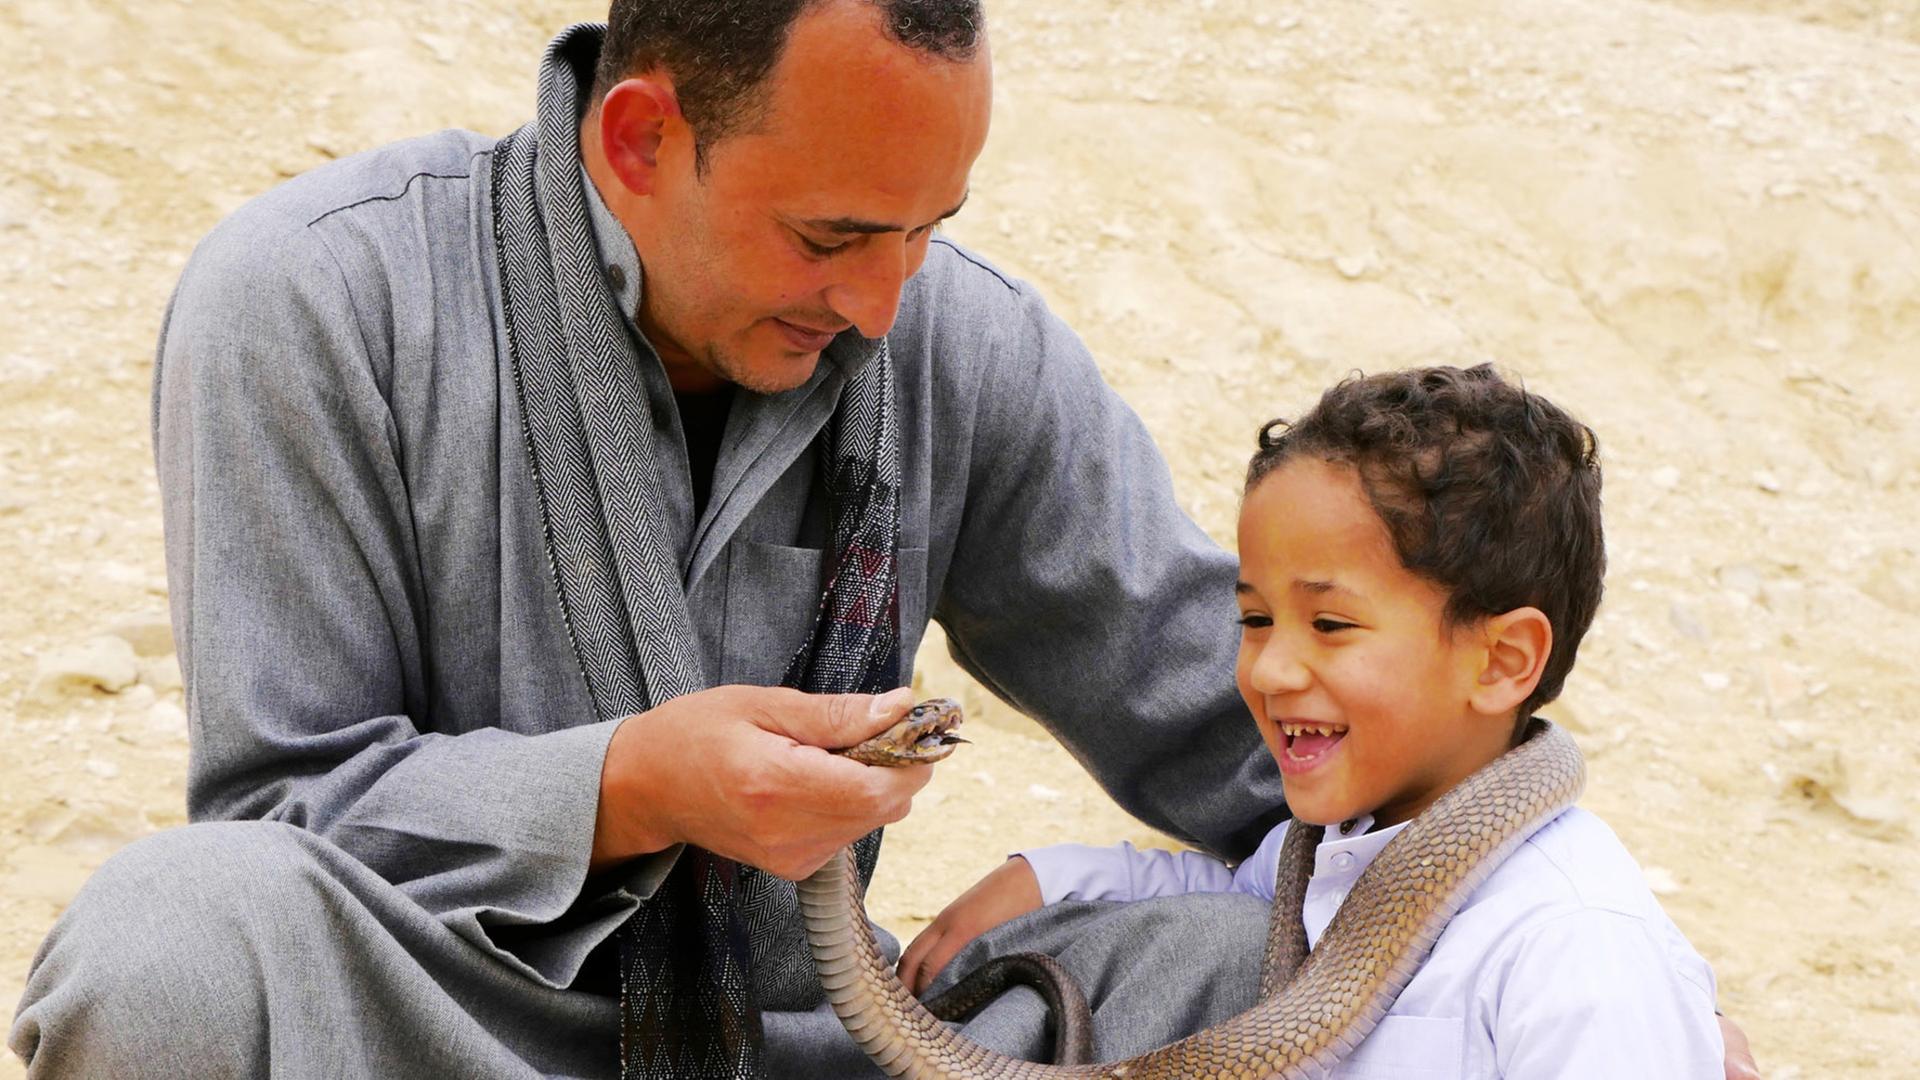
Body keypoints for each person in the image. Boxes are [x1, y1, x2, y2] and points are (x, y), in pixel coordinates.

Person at [7, 2, 1759, 1077]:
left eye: (931, 230)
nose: (887, 301)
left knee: (1276, 965)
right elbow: (285, 817)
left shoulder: (956, 341)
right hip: (452, 1033)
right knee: (174, 932)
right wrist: (632, 783)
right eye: (835, 234)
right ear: (640, 140)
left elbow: (1267, 745)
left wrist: (1625, 984)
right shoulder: (310, 303)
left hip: (833, 1050)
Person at [900, 365, 1728, 1076]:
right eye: (1255, 621)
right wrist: (1050, 879)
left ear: (1504, 660)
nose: (1269, 669)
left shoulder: (1579, 944)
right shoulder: (1330, 850)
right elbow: (1223, 895)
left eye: (1330, 626)